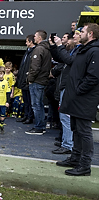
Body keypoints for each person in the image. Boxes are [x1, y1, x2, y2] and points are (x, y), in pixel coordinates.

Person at [57, 23, 99, 176]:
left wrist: (79, 90)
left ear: (91, 35)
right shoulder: (83, 49)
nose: (79, 33)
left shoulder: (94, 51)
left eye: (83, 31)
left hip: (84, 99)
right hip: (76, 98)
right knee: (76, 129)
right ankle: (75, 158)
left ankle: (85, 165)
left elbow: (93, 77)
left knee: (84, 131)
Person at [50, 28, 82, 154]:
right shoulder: (75, 49)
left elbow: (68, 60)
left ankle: (68, 144)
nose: (74, 36)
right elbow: (61, 58)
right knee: (64, 116)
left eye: (77, 34)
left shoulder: (80, 50)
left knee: (66, 116)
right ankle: (66, 141)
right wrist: (54, 46)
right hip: (65, 86)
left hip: (70, 87)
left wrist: (59, 45)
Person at [25, 30, 52, 135]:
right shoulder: (46, 49)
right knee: (38, 104)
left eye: (35, 36)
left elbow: (35, 68)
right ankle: (40, 126)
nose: (34, 37)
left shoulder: (39, 49)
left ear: (40, 38)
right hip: (42, 80)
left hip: (37, 81)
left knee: (36, 105)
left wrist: (30, 79)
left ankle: (39, 127)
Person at [16, 35, 35, 124]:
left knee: (30, 100)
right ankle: (26, 115)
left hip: (29, 80)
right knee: (26, 100)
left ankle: (30, 116)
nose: (25, 43)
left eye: (27, 41)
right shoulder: (27, 52)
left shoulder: (34, 52)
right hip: (24, 79)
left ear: (31, 42)